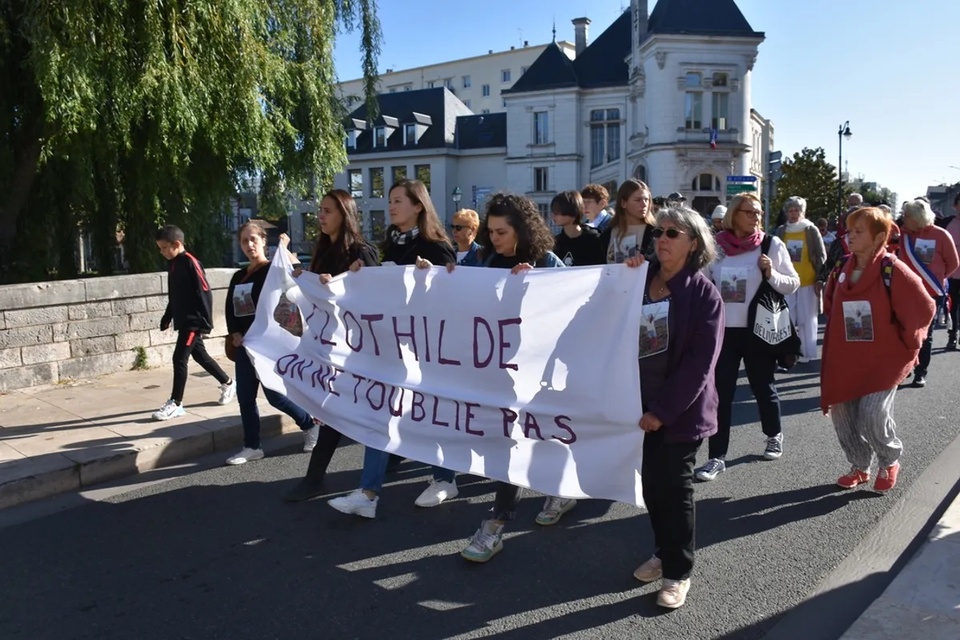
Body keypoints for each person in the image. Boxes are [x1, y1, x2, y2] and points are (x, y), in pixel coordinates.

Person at [326, 180, 457, 515]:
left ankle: (444, 478)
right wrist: (360, 275)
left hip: (429, 350)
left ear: (418, 206)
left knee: (432, 415)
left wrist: (434, 280)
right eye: (390, 201)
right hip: (391, 348)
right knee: (379, 413)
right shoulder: (389, 246)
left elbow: (455, 298)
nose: (391, 206)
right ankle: (368, 494)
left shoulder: (438, 247)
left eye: (398, 201)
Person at [455, 193, 566, 563]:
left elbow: (567, 311)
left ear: (521, 229)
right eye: (490, 231)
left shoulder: (546, 261)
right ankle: (559, 490)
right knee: (514, 441)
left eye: (502, 231)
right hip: (493, 370)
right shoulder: (484, 259)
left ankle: (497, 524)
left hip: (534, 374)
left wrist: (536, 287)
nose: (495, 238)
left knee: (517, 442)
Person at [623, 205, 724, 609]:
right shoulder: (637, 280)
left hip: (680, 412)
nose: (661, 239)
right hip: (635, 402)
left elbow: (699, 365)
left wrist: (661, 412)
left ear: (693, 244)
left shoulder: (704, 295)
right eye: (659, 232)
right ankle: (662, 551)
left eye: (672, 233)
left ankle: (678, 572)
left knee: (674, 488)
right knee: (650, 485)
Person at [821, 207, 935, 493]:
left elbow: (924, 307)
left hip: (884, 360)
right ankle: (859, 465)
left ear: (879, 237)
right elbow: (831, 305)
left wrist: (910, 343)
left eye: (859, 232)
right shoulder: (841, 267)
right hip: (847, 358)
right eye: (850, 230)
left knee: (872, 414)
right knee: (842, 413)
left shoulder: (892, 268)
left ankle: (889, 459)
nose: (851, 236)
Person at [282, 190, 381, 501]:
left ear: (344, 214)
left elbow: (376, 299)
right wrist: (305, 280)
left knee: (370, 415)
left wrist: (338, 283)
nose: (321, 216)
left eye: (327, 211)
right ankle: (316, 479)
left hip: (361, 351)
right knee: (335, 411)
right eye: (320, 211)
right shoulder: (322, 249)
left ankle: (379, 475)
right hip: (333, 349)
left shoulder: (362, 252)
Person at [696, 194, 800, 482]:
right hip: (724, 331)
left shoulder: (770, 244)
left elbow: (792, 284)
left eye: (758, 212)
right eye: (749, 212)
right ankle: (716, 457)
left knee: (763, 387)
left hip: (759, 328)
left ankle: (773, 434)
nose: (756, 217)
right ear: (733, 215)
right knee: (721, 395)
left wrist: (771, 273)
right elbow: (701, 281)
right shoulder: (716, 246)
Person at [223, 223, 320, 464]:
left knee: (275, 394)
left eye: (254, 239)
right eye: (244, 241)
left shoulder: (272, 271)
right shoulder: (238, 276)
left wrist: (285, 250)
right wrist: (234, 333)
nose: (249, 245)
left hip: (267, 344)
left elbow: (296, 276)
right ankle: (252, 446)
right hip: (246, 344)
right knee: (245, 397)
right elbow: (230, 310)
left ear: (264, 241)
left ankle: (309, 425)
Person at [152, 225, 235, 421]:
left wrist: (205, 323)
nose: (161, 252)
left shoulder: (191, 262)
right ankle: (228, 383)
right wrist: (167, 316)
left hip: (194, 322)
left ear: (177, 244)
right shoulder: (172, 264)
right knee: (201, 356)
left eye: (164, 247)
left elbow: (204, 292)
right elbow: (175, 294)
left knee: (179, 358)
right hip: (183, 320)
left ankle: (176, 403)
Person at [897, 199, 960, 386]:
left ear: (917, 218)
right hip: (905, 292)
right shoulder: (903, 236)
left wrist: (939, 278)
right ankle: (905, 368)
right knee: (904, 332)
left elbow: (953, 263)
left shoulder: (941, 235)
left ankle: (921, 372)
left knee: (925, 334)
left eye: (907, 215)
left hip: (931, 292)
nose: (903, 218)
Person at [774, 196, 826, 363]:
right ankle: (788, 352)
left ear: (802, 212)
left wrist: (820, 279)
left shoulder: (811, 230)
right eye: (790, 211)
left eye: (796, 210)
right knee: (786, 318)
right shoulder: (781, 231)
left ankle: (807, 352)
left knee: (807, 318)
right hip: (787, 281)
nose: (793, 214)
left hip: (807, 280)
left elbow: (821, 255)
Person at [599, 179, 656, 264]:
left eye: (646, 200)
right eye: (638, 200)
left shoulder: (655, 233)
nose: (644, 204)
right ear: (623, 203)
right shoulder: (607, 234)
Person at [551, 190, 604, 266]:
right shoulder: (555, 244)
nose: (553, 215)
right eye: (553, 211)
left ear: (572, 209)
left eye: (557, 211)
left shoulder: (594, 240)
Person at [945, 194, 960, 350]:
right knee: (952, 306)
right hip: (951, 274)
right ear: (955, 205)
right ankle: (952, 336)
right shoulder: (947, 223)